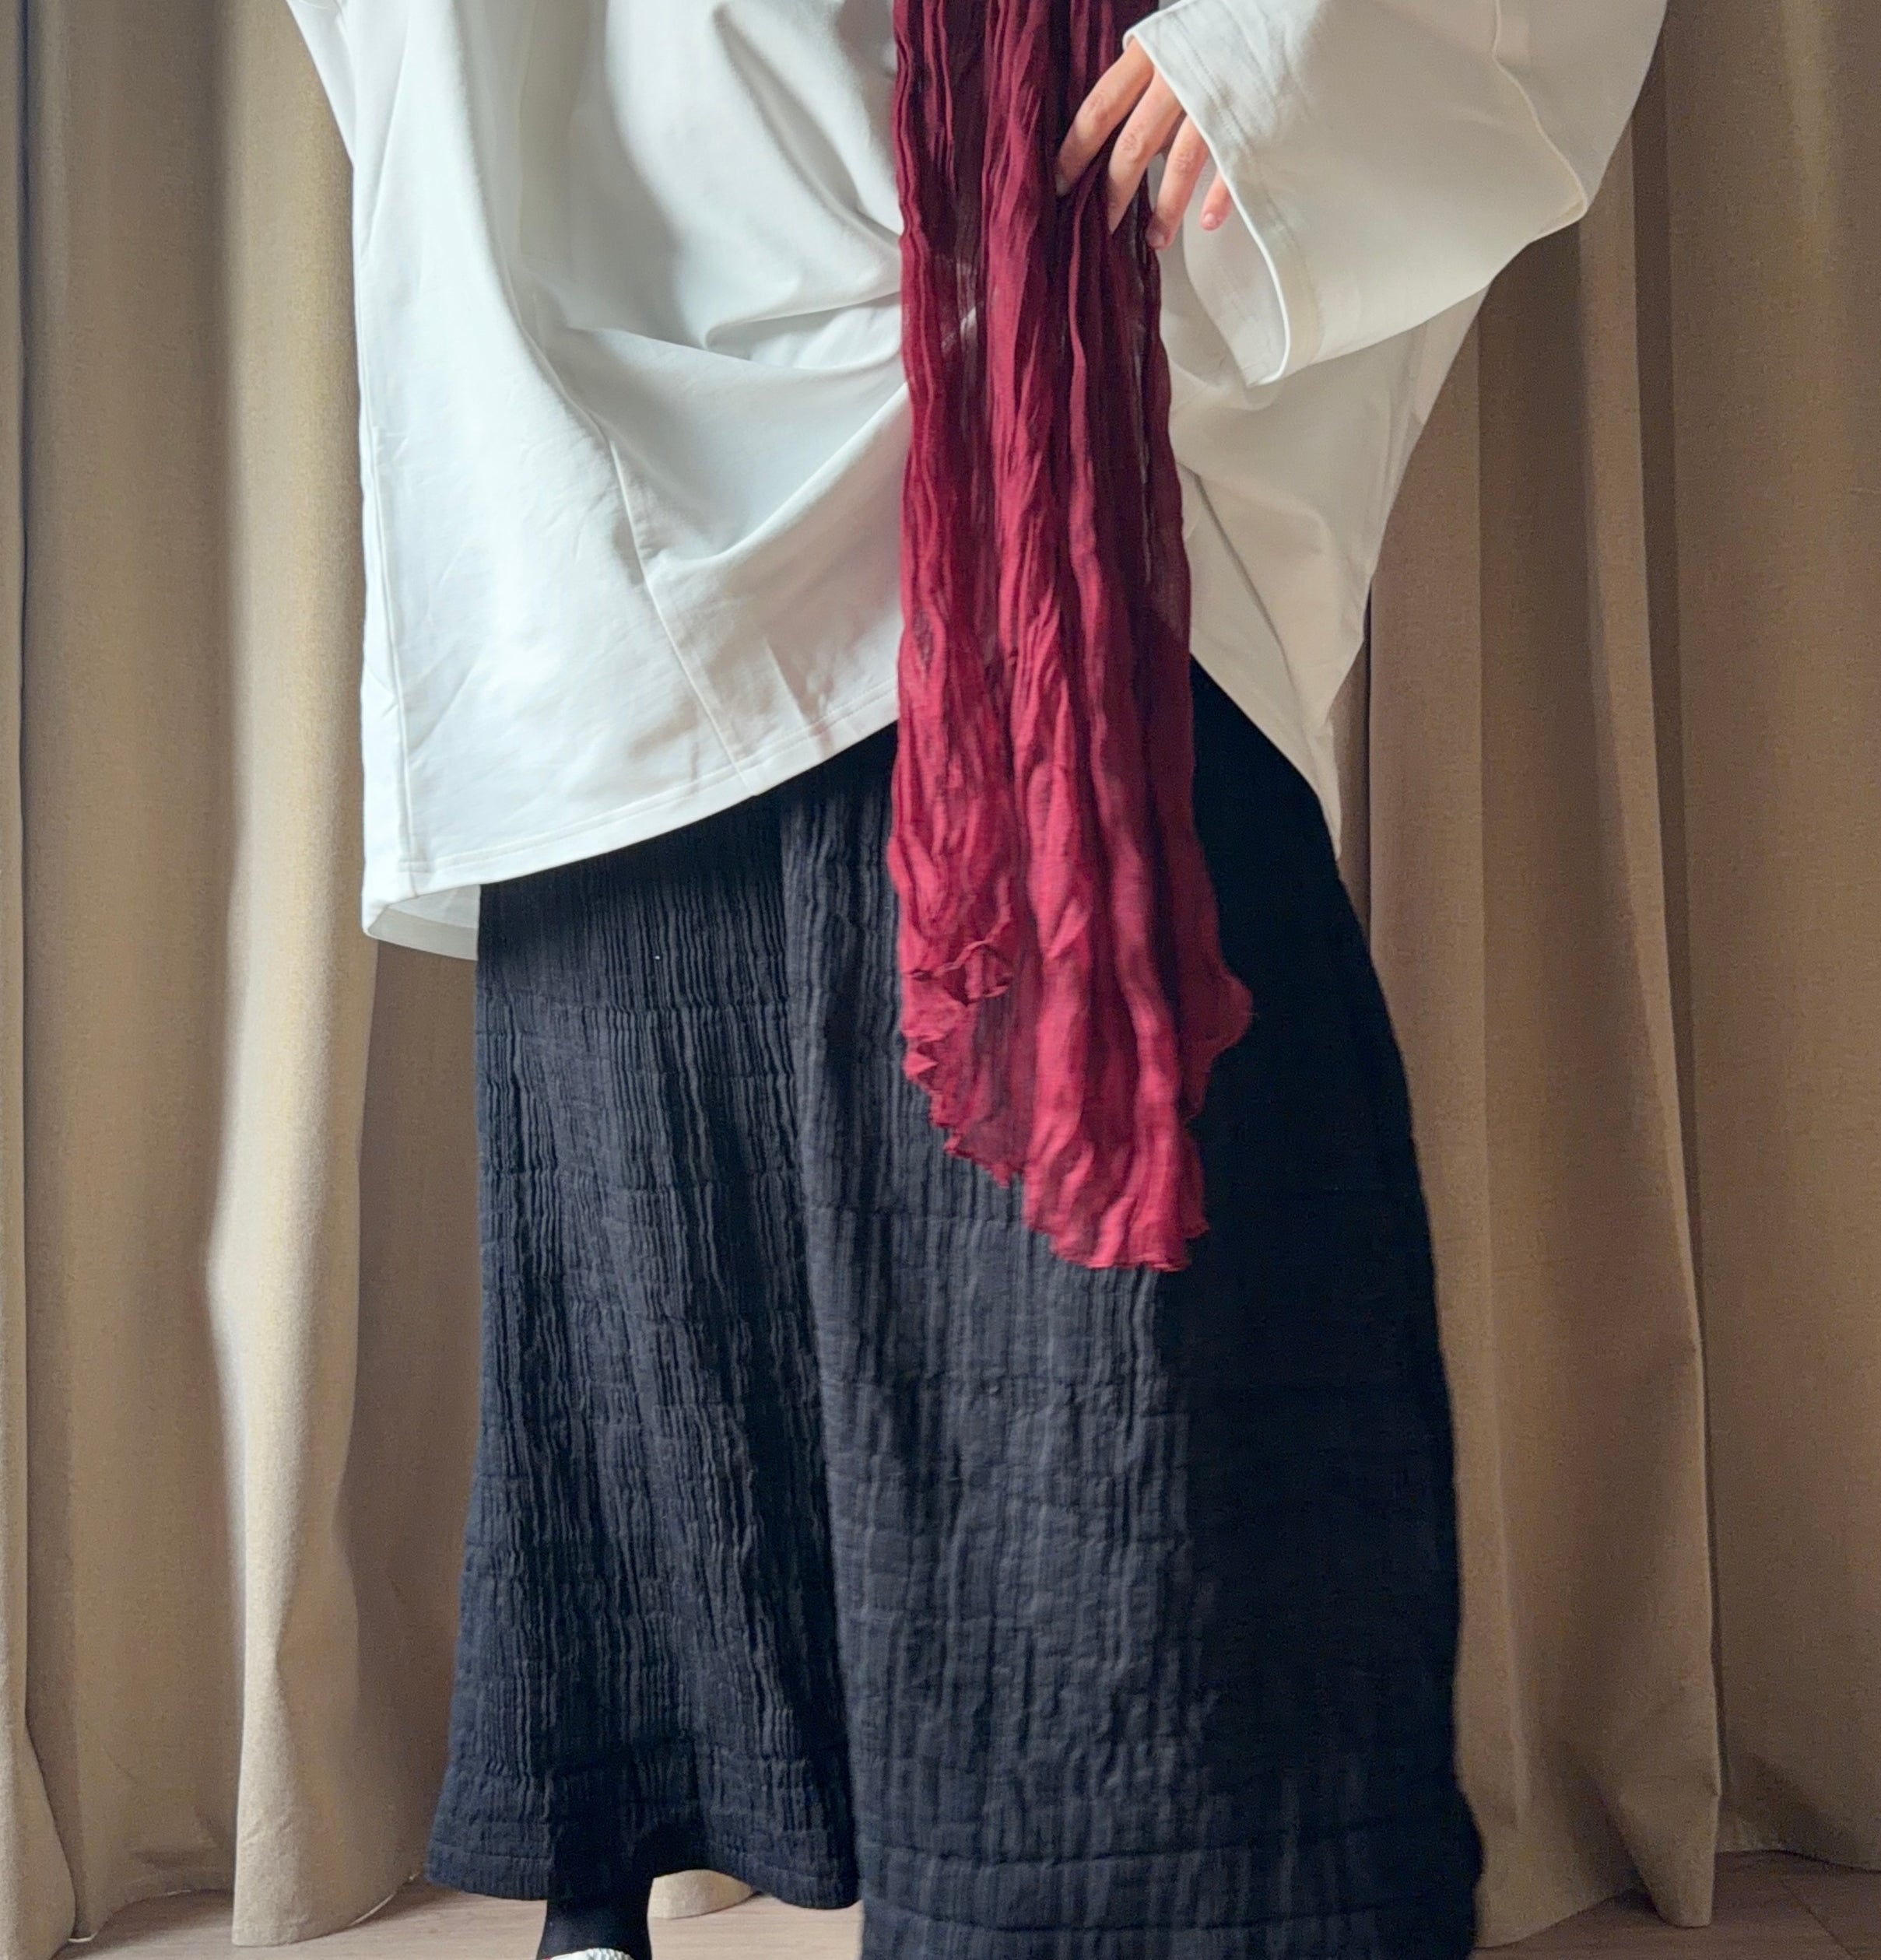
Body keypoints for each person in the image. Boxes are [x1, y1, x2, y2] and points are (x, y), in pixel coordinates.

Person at [285, 5, 1665, 1956]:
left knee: (1137, 1349)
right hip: (595, 459)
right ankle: (612, 1879)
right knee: (657, 1276)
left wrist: (1280, 37)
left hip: (1051, 364)